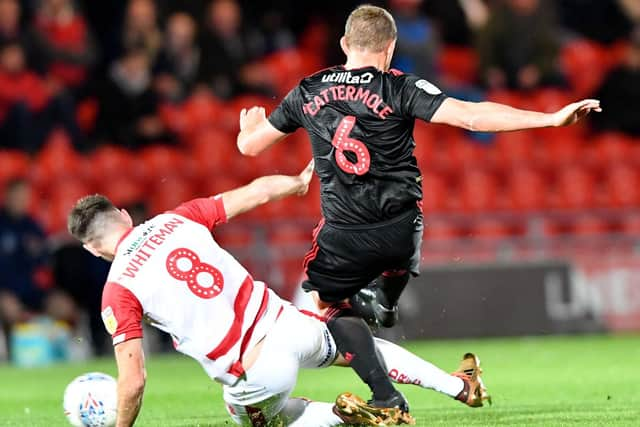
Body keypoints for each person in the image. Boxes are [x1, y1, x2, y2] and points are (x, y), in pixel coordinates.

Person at [235, 4, 600, 413]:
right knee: (393, 259)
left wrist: (248, 130)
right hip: (403, 228)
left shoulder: (308, 90)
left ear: (344, 44)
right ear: (390, 47)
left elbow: (249, 147)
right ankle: (388, 300)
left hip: (345, 232)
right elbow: (471, 116)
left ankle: (387, 396)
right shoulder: (400, 87)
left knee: (330, 307)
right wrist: (550, 119)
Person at [67, 162, 489, 427]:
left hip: (255, 371)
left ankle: (354, 419)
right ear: (124, 215)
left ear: (90, 248)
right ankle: (457, 386)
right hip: (287, 325)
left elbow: (134, 381)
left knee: (264, 421)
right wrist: (297, 182)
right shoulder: (179, 218)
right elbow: (256, 192)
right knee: (360, 349)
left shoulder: (117, 290)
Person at [0, 179, 76, 337]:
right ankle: (17, 352)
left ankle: (72, 347)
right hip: (5, 291)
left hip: (33, 290)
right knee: (9, 308)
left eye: (24, 197)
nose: (21, 201)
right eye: (17, 196)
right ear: (7, 196)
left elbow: (45, 260)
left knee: (64, 306)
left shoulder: (33, 226)